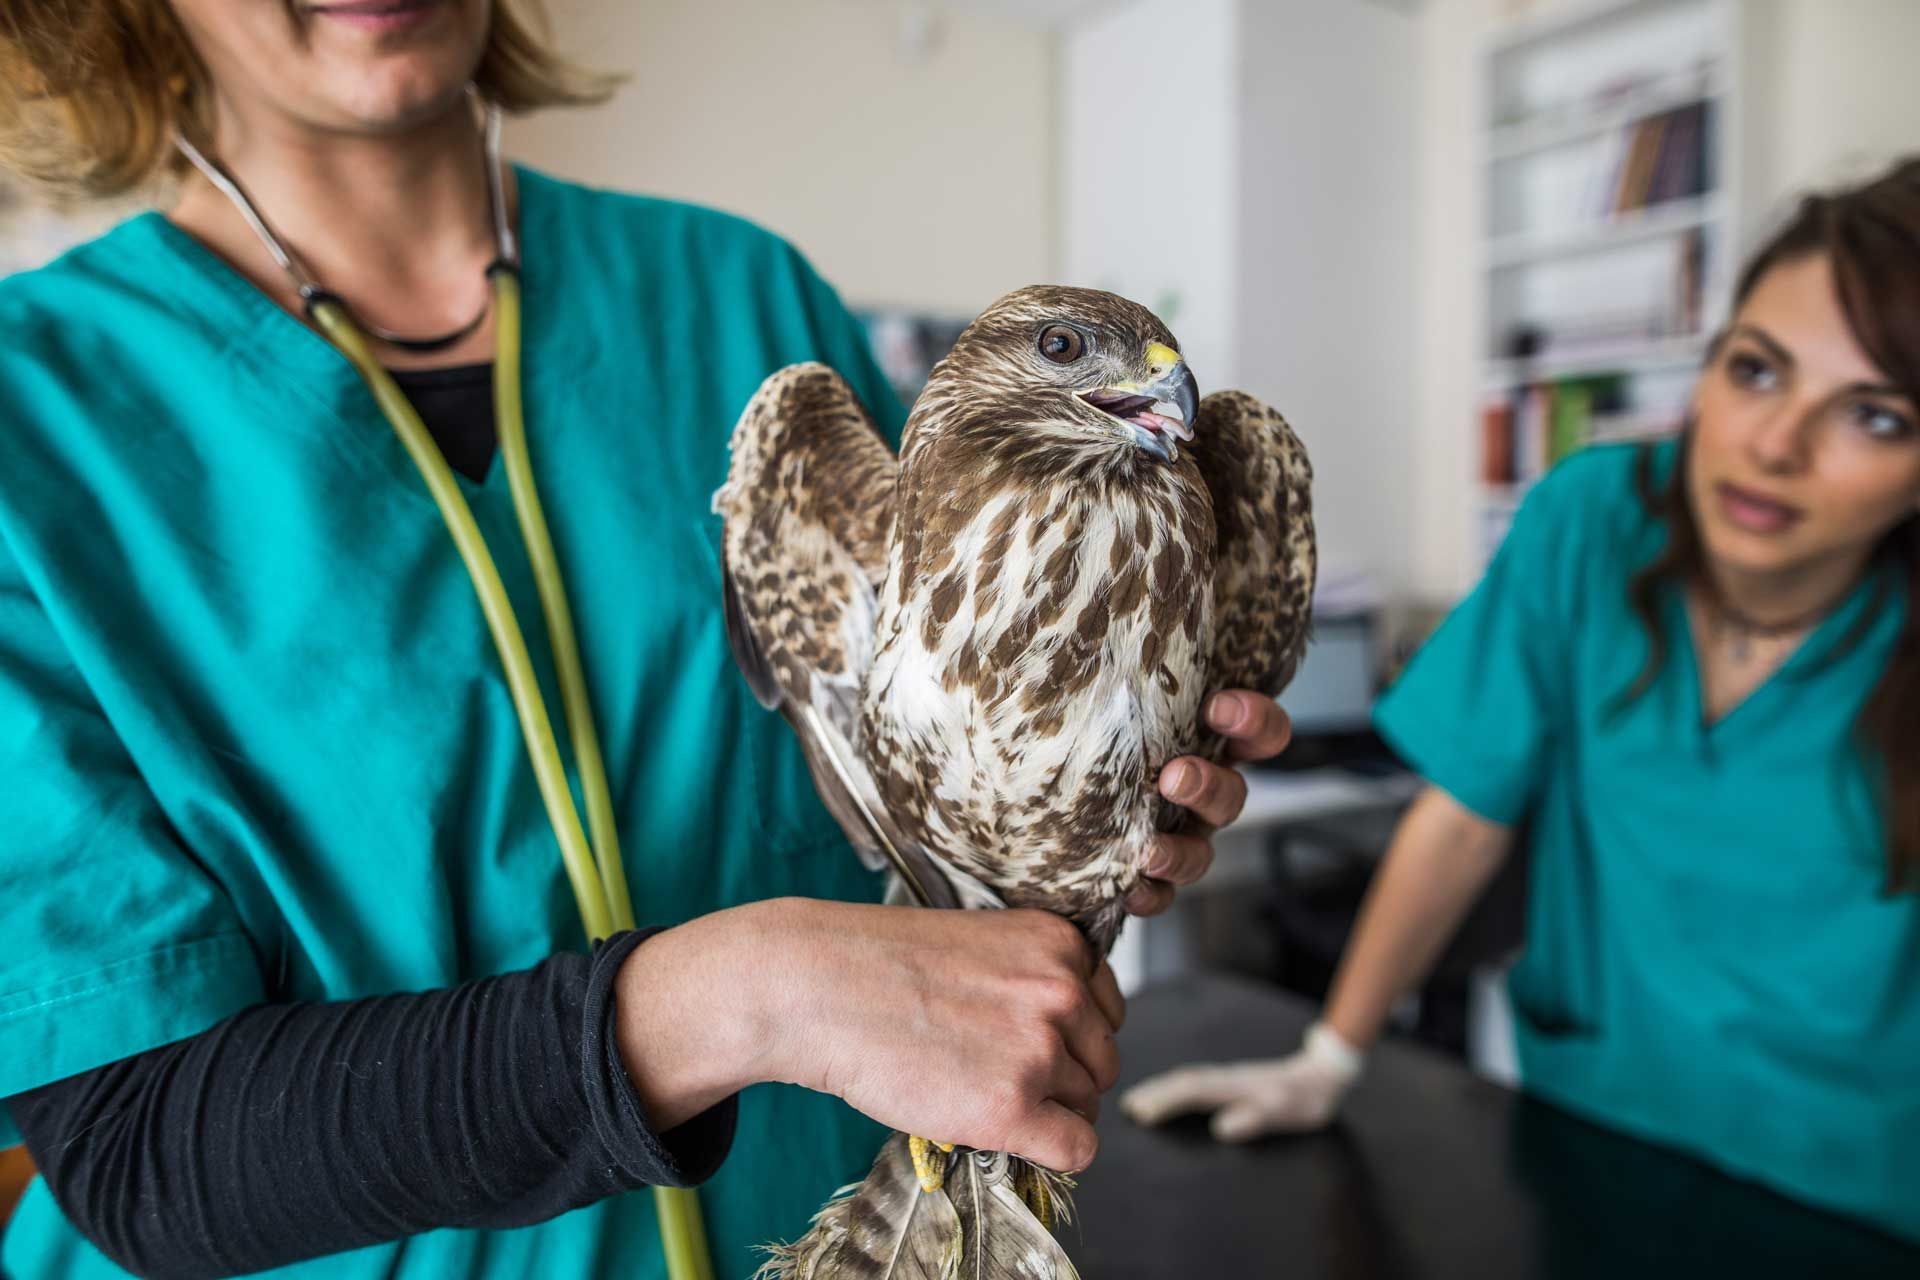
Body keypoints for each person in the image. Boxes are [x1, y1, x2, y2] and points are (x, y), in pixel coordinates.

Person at [0, 2, 1295, 1277]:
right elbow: (136, 1153)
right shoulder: (34, 415)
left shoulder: (748, 298)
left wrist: (1084, 813)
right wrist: (751, 997)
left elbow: (907, 764)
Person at [1123, 157, 1920, 1245]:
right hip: (1593, 1139)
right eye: (1756, 369)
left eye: (1874, 416)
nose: (1776, 445)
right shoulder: (1593, 521)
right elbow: (1461, 819)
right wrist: (1329, 1058)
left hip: (1857, 1190)